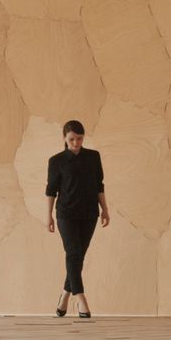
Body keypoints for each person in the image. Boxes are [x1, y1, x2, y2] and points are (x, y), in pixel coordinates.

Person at [45, 119, 108, 319]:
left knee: (78, 256)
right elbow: (50, 191)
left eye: (79, 139)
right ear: (64, 138)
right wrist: (48, 216)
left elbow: (99, 185)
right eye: (72, 139)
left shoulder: (93, 157)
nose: (76, 143)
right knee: (73, 253)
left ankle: (65, 294)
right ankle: (80, 298)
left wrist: (105, 209)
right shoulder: (56, 161)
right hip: (66, 214)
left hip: (89, 213)